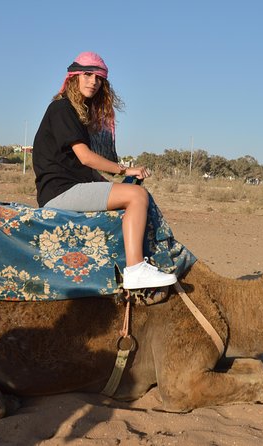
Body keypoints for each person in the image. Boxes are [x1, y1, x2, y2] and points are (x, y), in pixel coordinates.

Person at [33, 51, 177, 290]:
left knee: (130, 192)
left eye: (98, 78)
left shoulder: (77, 113)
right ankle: (135, 270)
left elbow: (80, 167)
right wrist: (125, 170)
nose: (93, 81)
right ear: (73, 78)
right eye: (87, 75)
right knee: (137, 196)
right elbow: (86, 158)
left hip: (70, 186)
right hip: (59, 192)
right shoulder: (62, 109)